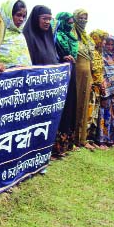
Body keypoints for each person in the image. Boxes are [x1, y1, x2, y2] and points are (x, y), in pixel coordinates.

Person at [52, 12, 77, 157]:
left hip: (71, 73)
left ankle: (65, 144)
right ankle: (55, 146)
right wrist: (62, 57)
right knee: (60, 107)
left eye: (72, 22)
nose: (70, 24)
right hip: (60, 75)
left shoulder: (72, 38)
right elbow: (54, 55)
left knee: (69, 107)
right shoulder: (56, 36)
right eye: (68, 21)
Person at [71, 9, 95, 150]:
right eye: (81, 17)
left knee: (85, 105)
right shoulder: (71, 35)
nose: (83, 21)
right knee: (75, 103)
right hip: (76, 75)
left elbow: (91, 58)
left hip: (87, 76)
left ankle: (82, 138)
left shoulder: (86, 38)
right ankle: (71, 139)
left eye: (86, 18)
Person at [87, 29, 108, 149]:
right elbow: (92, 71)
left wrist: (103, 84)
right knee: (89, 113)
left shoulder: (100, 53)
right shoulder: (91, 52)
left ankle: (91, 138)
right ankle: (84, 139)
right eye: (102, 39)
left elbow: (101, 71)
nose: (104, 42)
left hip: (99, 88)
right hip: (92, 87)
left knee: (95, 114)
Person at [0, 0, 31, 68]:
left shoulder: (20, 35)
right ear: (9, 14)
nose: (21, 19)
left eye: (23, 16)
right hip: (5, 77)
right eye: (18, 15)